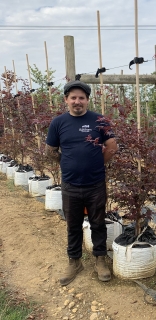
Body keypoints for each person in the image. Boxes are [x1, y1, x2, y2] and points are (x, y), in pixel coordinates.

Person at [46, 80, 118, 286]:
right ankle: (74, 261)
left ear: (87, 100)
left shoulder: (99, 120)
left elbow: (112, 147)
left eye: (81, 98)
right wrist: (68, 164)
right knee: (73, 225)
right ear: (66, 100)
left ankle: (100, 260)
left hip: (95, 183)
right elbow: (50, 151)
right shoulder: (58, 123)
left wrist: (95, 164)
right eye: (73, 98)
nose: (77, 101)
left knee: (98, 222)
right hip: (70, 185)